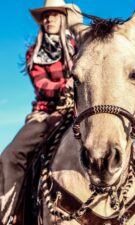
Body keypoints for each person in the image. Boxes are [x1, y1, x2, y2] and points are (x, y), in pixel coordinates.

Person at [0, 1, 83, 224]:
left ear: (64, 18)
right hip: (45, 114)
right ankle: (8, 212)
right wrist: (65, 85)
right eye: (46, 16)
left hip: (77, 111)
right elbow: (41, 85)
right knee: (10, 156)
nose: (49, 19)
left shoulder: (79, 45)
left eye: (55, 15)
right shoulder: (34, 53)